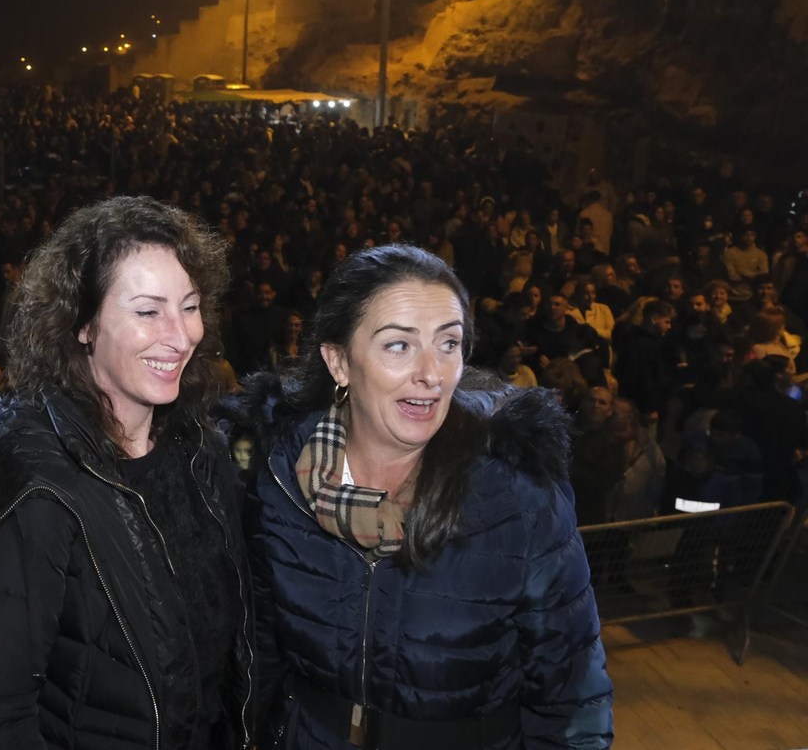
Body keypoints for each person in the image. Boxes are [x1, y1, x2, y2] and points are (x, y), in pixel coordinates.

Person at [222, 244, 612, 748]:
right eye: (399, 346)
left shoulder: (518, 497)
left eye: (448, 344)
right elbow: (262, 656)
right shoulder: (280, 483)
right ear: (339, 361)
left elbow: (572, 696)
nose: (432, 373)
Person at [0, 197, 251, 749]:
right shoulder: (29, 482)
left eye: (189, 307)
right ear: (84, 325)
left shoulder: (199, 450)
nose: (181, 335)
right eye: (147, 311)